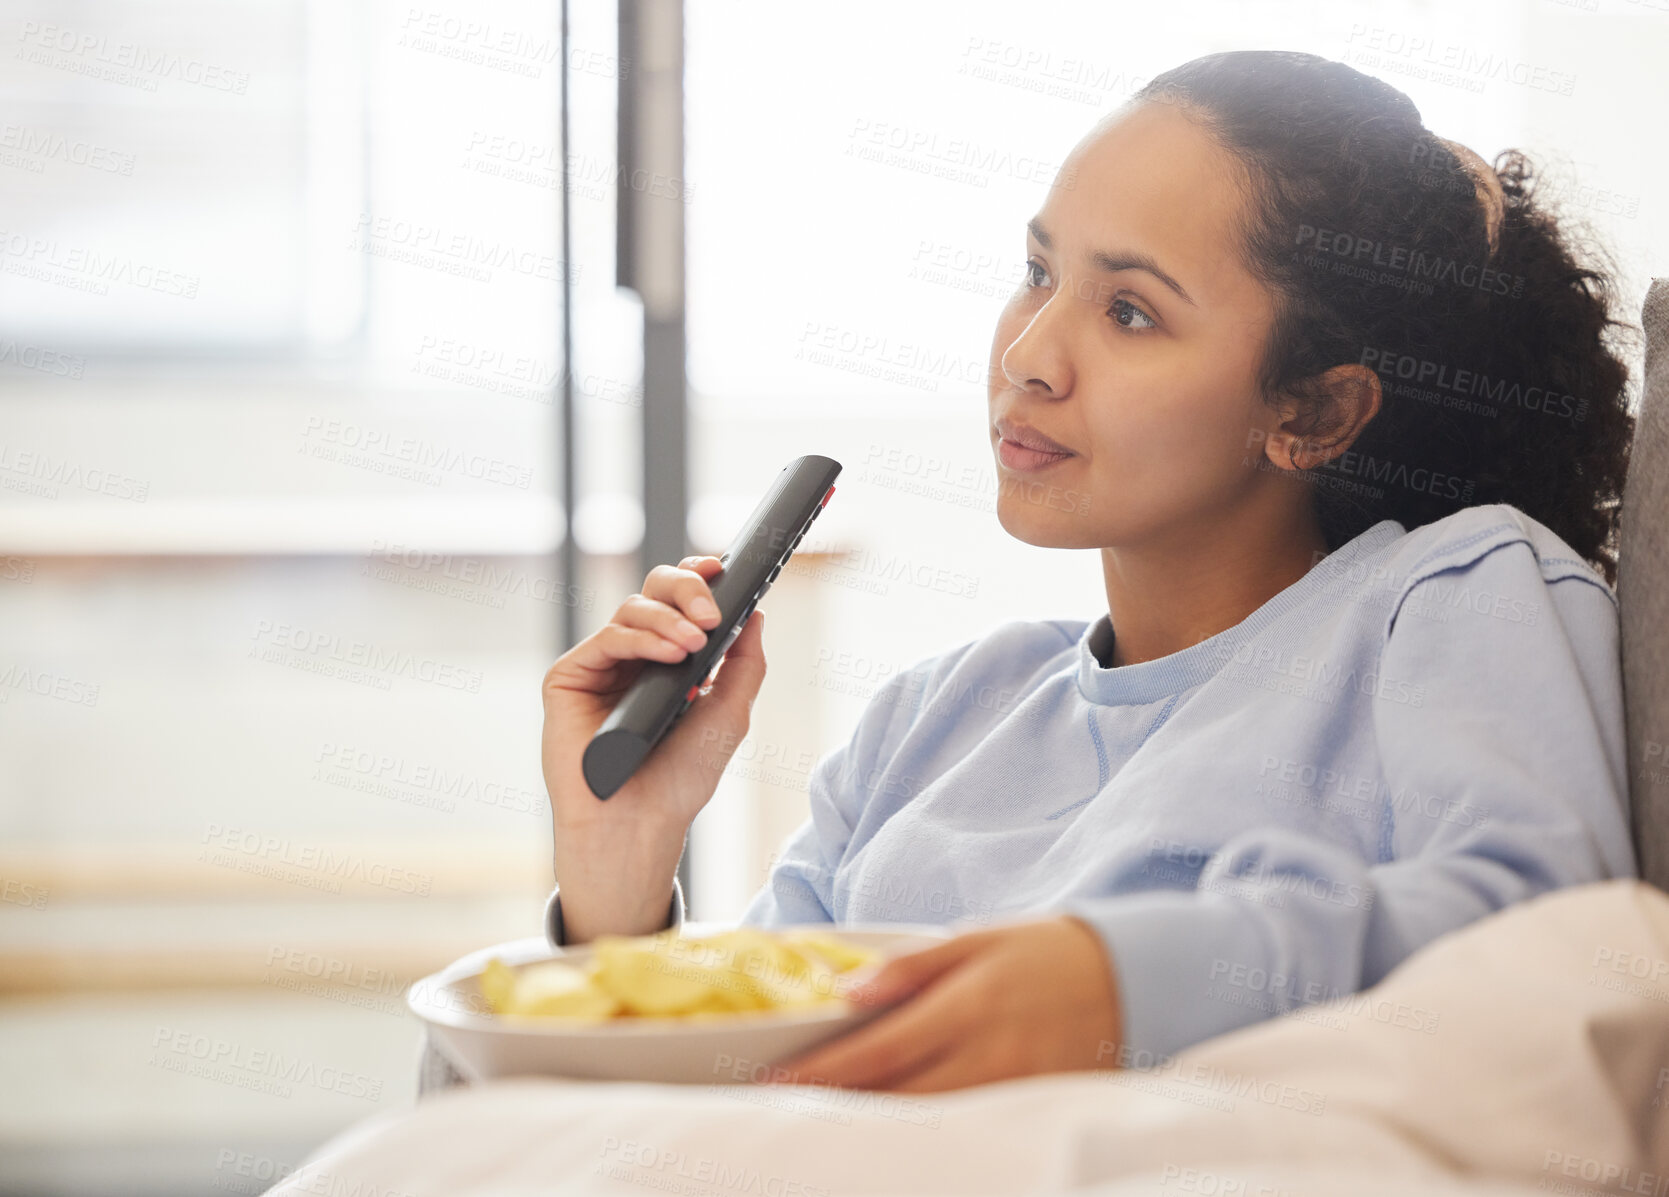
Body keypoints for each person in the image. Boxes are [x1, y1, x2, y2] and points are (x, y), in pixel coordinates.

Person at [537, 50, 1639, 1094]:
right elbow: (718, 1099)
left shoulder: (1450, 595)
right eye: (1037, 273)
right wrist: (617, 894)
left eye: (1128, 311)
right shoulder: (936, 719)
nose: (1027, 356)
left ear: (1313, 411)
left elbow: (1545, 941)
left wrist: (1116, 984)